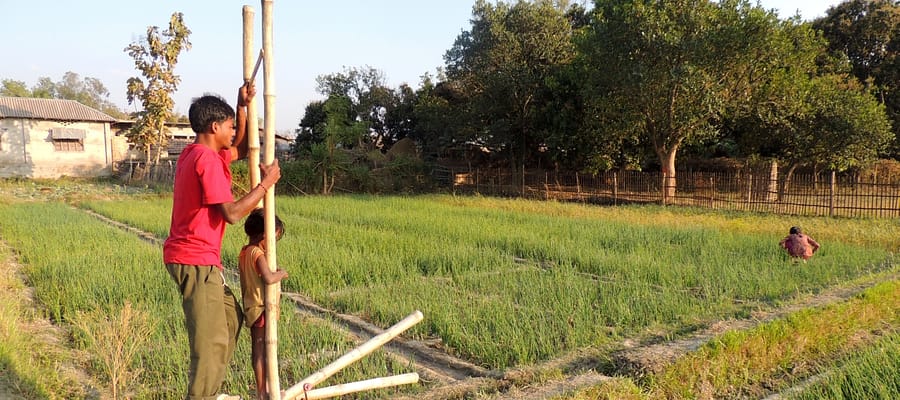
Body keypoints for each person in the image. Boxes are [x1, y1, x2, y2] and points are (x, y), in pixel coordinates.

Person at [164, 82, 281, 400]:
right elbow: (230, 213)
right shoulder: (207, 160)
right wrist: (265, 186)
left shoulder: (196, 152)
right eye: (230, 126)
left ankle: (211, 388)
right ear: (214, 127)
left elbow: (243, 149)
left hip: (198, 258)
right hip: (194, 259)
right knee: (209, 342)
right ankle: (202, 395)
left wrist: (241, 107)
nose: (234, 132)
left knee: (230, 314)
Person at [238, 208, 289, 400]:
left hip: (252, 306)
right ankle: (264, 391)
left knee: (257, 349)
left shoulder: (244, 252)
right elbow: (268, 278)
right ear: (264, 235)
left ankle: (263, 390)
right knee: (263, 350)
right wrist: (281, 274)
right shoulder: (257, 253)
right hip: (261, 307)